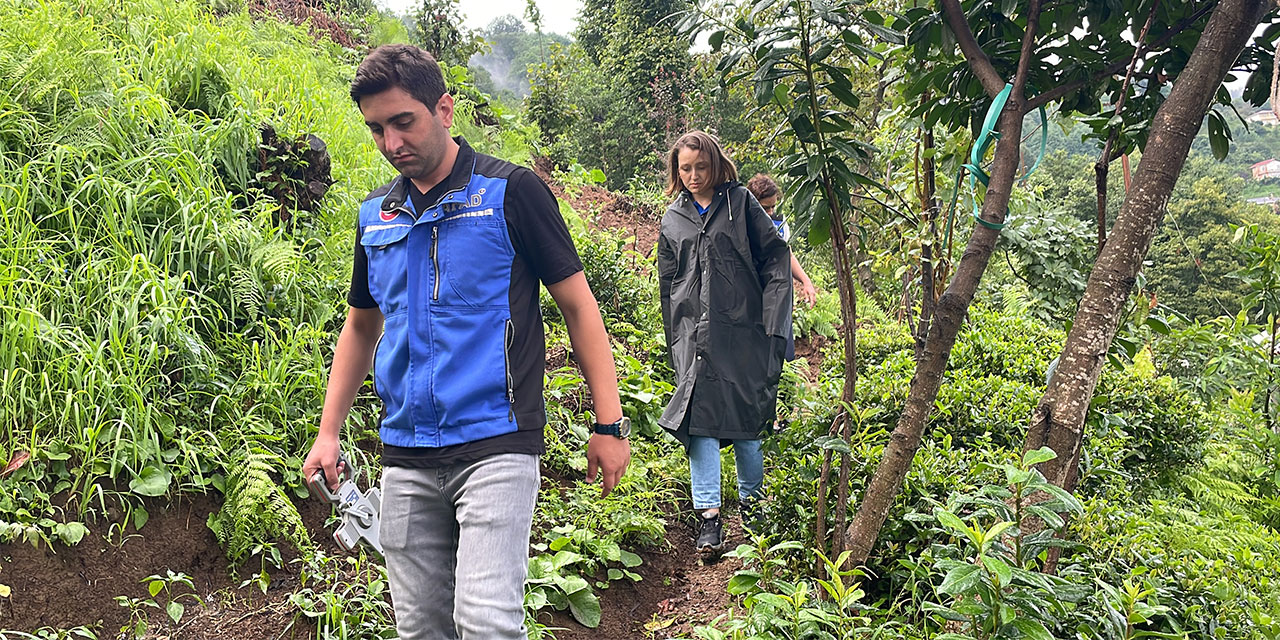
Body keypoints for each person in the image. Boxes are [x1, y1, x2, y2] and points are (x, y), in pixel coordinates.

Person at [302, 44, 631, 640]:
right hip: (405, 452)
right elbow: (361, 326)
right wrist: (329, 433)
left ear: (444, 109)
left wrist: (608, 424)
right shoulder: (376, 216)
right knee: (421, 628)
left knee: (484, 621)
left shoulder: (511, 192)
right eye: (376, 128)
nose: (392, 142)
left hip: (496, 442)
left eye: (404, 121)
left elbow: (579, 308)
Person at [655, 131, 793, 555]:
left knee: (746, 423)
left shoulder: (741, 205)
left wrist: (773, 322)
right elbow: (668, 283)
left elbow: (775, 259)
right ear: (676, 171)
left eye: (700, 167)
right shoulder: (673, 217)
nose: (693, 176)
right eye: (685, 169)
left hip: (744, 332)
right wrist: (675, 338)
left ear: (715, 164)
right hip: (693, 338)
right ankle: (710, 519)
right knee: (700, 427)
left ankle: (753, 508)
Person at [745, 173, 817, 366]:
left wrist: (806, 281)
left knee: (780, 348)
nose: (769, 212)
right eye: (764, 207)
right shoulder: (740, 225)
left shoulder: (779, 224)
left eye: (773, 206)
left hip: (777, 294)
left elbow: (786, 254)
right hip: (750, 295)